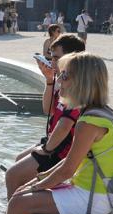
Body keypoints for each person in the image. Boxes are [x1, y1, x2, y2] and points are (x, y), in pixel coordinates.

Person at [0, 52, 113, 214]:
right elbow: (71, 160)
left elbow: (67, 170)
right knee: (21, 196)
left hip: (92, 198)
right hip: (93, 191)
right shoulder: (98, 112)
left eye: (64, 75)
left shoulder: (88, 123)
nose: (59, 80)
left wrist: (35, 186)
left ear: (81, 82)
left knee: (17, 203)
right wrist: (38, 180)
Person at [5, 34, 86, 201]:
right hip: (53, 143)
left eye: (56, 57)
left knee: (12, 175)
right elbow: (46, 108)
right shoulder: (63, 81)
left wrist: (46, 150)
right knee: (18, 160)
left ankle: (14, 212)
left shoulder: (77, 87)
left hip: (60, 152)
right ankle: (19, 203)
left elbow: (64, 126)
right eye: (51, 57)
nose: (52, 62)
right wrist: (49, 81)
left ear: (71, 58)